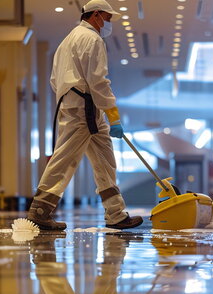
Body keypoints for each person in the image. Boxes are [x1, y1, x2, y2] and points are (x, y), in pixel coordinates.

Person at [27, 0, 143, 231]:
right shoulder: (92, 39)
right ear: (96, 15)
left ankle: (116, 214)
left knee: (105, 160)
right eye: (107, 19)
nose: (108, 24)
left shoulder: (68, 40)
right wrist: (113, 115)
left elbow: (54, 80)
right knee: (65, 157)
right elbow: (98, 80)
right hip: (84, 108)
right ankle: (40, 210)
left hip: (77, 105)